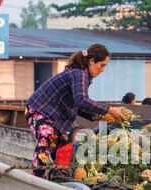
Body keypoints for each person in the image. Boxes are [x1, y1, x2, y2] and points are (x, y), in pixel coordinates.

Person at [25, 43, 125, 178]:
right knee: (46, 138)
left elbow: (77, 105)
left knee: (63, 150)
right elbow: (82, 100)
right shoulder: (79, 74)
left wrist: (98, 117)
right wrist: (110, 109)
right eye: (102, 65)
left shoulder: (84, 77)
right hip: (39, 110)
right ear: (91, 61)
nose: (102, 70)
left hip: (54, 117)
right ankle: (38, 179)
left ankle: (60, 178)